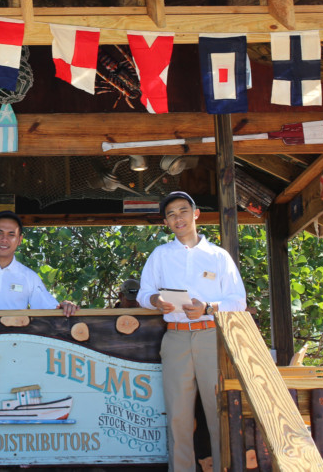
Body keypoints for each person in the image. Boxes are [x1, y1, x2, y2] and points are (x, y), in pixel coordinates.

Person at [137, 191, 247, 472]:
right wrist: (154, 301)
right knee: (178, 417)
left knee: (219, 411)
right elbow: (143, 293)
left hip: (212, 337)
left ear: (196, 214)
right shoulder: (160, 255)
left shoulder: (218, 256)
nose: (178, 218)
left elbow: (238, 301)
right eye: (171, 214)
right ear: (166, 222)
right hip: (175, 337)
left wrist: (208, 307)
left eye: (183, 211)